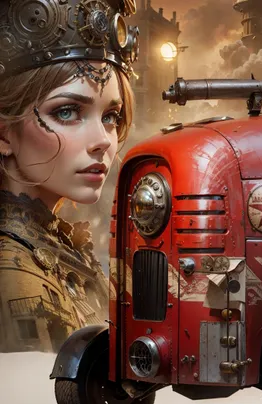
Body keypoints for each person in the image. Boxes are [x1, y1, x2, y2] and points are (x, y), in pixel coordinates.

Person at [0, 0, 140, 352]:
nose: (102, 142)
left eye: (111, 116)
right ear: (4, 134)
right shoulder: (9, 264)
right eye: (67, 112)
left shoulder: (55, 240)